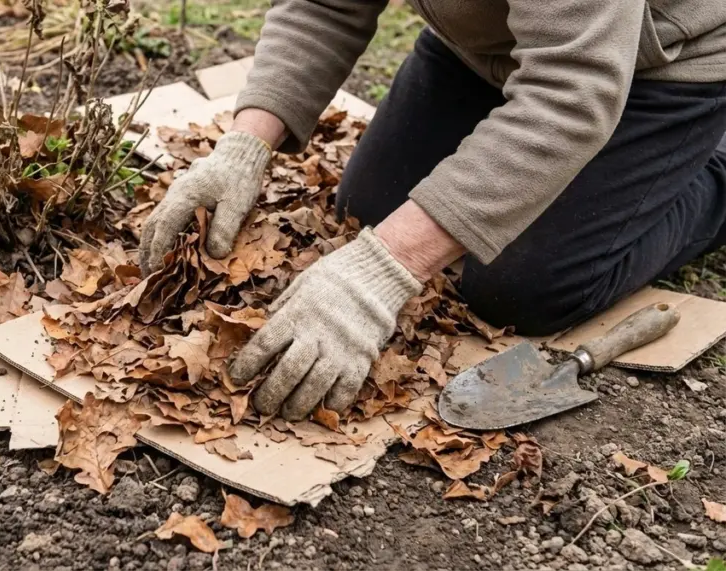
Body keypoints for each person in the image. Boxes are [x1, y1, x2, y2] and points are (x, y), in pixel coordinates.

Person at [139, 0, 726, 421]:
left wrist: (382, 270)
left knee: (520, 287)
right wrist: (245, 146)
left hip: (658, 65)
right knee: (367, 210)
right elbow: (324, 4)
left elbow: (571, 90)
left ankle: (712, 172)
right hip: (486, 45)